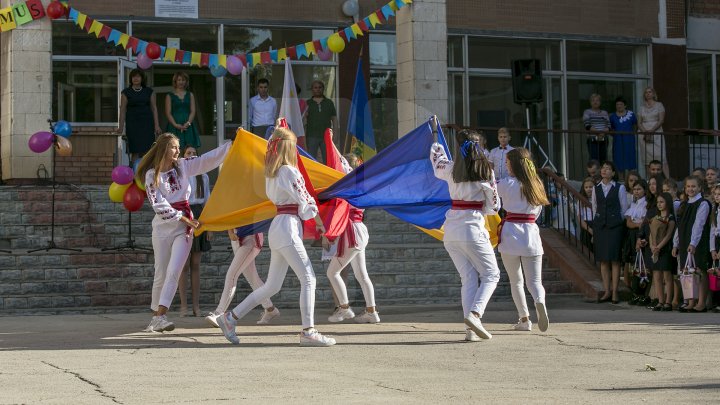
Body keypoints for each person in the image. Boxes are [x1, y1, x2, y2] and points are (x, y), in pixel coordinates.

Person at [215, 126, 336, 346]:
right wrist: (321, 226)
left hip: (280, 226)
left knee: (272, 286)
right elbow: (306, 200)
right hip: (288, 227)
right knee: (308, 278)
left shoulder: (272, 172)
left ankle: (230, 317)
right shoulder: (289, 170)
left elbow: (301, 200)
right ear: (289, 147)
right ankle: (308, 331)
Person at [136, 133, 231, 332]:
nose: (178, 151)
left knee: (174, 270)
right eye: (174, 147)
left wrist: (231, 145)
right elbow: (158, 205)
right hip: (163, 227)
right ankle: (155, 317)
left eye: (178, 148)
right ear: (164, 149)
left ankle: (161, 316)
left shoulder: (184, 166)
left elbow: (207, 160)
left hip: (183, 229)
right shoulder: (151, 175)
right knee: (161, 272)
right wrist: (184, 217)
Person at [430, 129, 501, 341]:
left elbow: (437, 162)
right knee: (491, 274)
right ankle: (475, 315)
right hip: (473, 228)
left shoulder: (451, 169)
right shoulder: (486, 171)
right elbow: (495, 205)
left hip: (450, 230)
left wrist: (435, 141)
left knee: (468, 277)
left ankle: (471, 331)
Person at [497, 148, 550, 332]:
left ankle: (524, 319)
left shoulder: (505, 183)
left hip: (511, 233)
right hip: (531, 234)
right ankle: (539, 301)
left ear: (515, 164)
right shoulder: (537, 184)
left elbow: (491, 194)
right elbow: (539, 211)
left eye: (507, 162)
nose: (505, 165)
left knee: (516, 281)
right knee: (535, 282)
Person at [326, 152, 380, 324]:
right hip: (359, 229)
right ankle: (371, 311)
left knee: (332, 272)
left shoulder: (350, 187)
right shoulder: (361, 185)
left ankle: (344, 307)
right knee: (362, 275)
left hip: (352, 231)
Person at [205, 231, 281, 327]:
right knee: (253, 279)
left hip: (251, 236)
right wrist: (230, 230)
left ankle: (219, 313)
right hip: (237, 238)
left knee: (232, 275)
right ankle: (270, 309)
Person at [178, 146, 211, 317]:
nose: (192, 155)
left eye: (194, 153)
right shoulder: (179, 175)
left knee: (196, 264)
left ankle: (196, 306)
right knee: (183, 265)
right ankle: (183, 305)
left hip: (199, 217)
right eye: (188, 153)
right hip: (184, 215)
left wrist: (208, 227)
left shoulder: (203, 177)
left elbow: (207, 202)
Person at [592, 161, 629, 304]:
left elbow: (624, 209)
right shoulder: (597, 188)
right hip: (601, 226)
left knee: (614, 259)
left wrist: (617, 221)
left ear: (613, 173)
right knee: (603, 260)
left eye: (608, 169)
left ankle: (615, 291)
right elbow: (595, 207)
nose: (605, 171)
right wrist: (598, 221)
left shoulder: (619, 188)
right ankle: (606, 290)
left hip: (614, 227)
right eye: (603, 168)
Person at [672, 176, 711, 312]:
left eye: (693, 186)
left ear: (700, 188)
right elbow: (679, 225)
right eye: (688, 186)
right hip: (684, 241)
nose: (690, 189)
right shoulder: (684, 204)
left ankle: (701, 302)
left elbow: (698, 225)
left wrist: (693, 243)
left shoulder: (703, 203)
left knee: (699, 271)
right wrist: (675, 243)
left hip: (698, 242)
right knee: (686, 271)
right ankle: (690, 301)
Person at [638, 192, 676, 311]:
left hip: (665, 249)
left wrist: (659, 246)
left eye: (662, 202)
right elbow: (651, 233)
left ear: (667, 203)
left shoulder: (670, 218)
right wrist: (652, 246)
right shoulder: (655, 217)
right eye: (658, 202)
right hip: (654, 249)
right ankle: (660, 300)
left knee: (667, 276)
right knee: (657, 275)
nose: (659, 204)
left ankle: (668, 302)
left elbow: (669, 235)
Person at [117, 69, 162, 162]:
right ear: (131, 78)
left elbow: (154, 108)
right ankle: (134, 174)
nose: (135, 78)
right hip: (132, 125)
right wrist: (120, 127)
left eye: (138, 76)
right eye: (133, 76)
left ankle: (147, 174)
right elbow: (122, 110)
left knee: (148, 150)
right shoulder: (126, 92)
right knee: (135, 151)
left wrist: (157, 126)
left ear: (142, 78)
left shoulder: (149, 91)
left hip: (147, 124)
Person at [623, 180, 648, 302]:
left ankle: (642, 293)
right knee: (633, 263)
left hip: (640, 235)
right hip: (631, 235)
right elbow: (628, 222)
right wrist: (635, 224)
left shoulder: (645, 204)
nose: (636, 191)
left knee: (641, 263)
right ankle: (635, 293)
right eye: (635, 189)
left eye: (639, 189)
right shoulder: (633, 204)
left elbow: (642, 223)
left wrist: (636, 224)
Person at [638, 87, 669, 178]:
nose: (648, 94)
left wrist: (652, 130)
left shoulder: (659, 105)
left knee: (661, 157)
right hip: (644, 134)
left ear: (653, 94)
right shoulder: (641, 107)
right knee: (647, 160)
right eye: (646, 92)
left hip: (656, 133)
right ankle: (649, 180)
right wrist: (645, 132)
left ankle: (668, 180)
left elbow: (661, 120)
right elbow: (639, 122)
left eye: (650, 92)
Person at [165, 72, 200, 149]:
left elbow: (193, 111)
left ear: (186, 81)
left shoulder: (190, 95)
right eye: (179, 80)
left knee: (189, 148)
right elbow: (168, 113)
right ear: (175, 82)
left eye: (183, 80)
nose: (181, 82)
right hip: (174, 126)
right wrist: (175, 125)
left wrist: (188, 123)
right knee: (174, 148)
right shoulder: (169, 95)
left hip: (188, 126)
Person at [304, 80, 337, 162]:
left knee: (328, 159)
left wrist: (335, 134)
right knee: (311, 159)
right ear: (312, 89)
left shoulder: (329, 103)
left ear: (323, 89)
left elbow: (334, 119)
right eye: (315, 88)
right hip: (311, 135)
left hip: (327, 136)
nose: (318, 89)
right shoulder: (307, 103)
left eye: (320, 87)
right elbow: (303, 122)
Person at [609, 96, 638, 178]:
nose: (619, 106)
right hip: (618, 141)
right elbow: (610, 128)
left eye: (621, 104)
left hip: (629, 140)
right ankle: (621, 180)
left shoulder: (631, 114)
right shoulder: (612, 116)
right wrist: (615, 134)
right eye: (617, 104)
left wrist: (632, 133)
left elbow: (636, 125)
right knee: (619, 160)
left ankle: (631, 180)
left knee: (630, 159)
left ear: (625, 105)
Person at [583, 93, 610, 163]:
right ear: (590, 102)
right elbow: (587, 126)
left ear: (600, 102)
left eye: (597, 100)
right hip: (592, 139)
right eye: (593, 100)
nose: (595, 102)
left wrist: (602, 133)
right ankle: (594, 174)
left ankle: (602, 174)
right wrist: (600, 133)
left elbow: (609, 126)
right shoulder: (587, 112)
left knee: (603, 160)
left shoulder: (604, 113)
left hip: (604, 139)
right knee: (593, 160)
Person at [577, 177, 595, 251]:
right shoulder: (580, 201)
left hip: (597, 224)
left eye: (591, 187)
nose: (588, 189)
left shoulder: (598, 200)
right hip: (586, 226)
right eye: (586, 187)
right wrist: (590, 230)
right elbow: (580, 217)